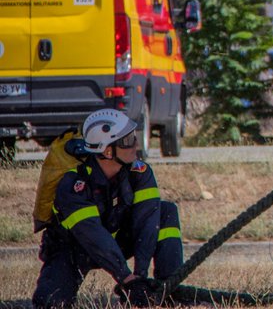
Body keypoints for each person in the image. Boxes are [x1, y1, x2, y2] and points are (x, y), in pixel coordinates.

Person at [32, 109, 182, 308]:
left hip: (115, 241)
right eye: (127, 140)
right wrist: (127, 279)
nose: (136, 145)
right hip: (75, 248)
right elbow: (93, 237)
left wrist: (140, 277)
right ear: (107, 151)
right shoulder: (74, 184)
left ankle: (170, 290)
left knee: (166, 211)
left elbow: (147, 222)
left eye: (133, 137)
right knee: (49, 303)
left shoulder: (140, 173)